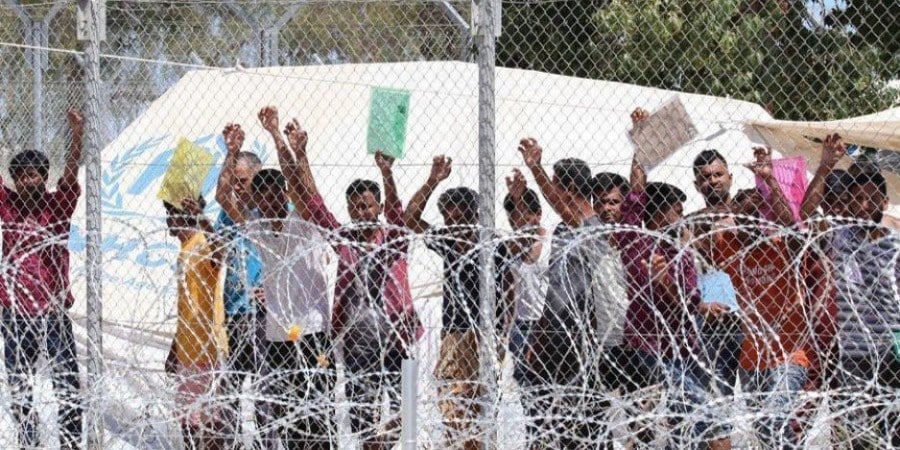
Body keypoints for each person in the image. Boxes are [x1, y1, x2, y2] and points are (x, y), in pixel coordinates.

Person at [283, 111, 421, 450]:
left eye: (367, 206)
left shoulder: (393, 239)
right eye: (354, 207)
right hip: (359, 344)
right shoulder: (344, 240)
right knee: (363, 421)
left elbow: (398, 213)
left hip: (398, 339)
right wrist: (301, 154)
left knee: (406, 416)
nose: (361, 212)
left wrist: (386, 173)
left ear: (378, 207)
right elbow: (315, 205)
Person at [220, 106, 336, 449]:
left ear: (284, 196)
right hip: (278, 338)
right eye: (263, 197)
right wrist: (230, 153)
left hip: (312, 334)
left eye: (276, 195)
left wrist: (280, 139)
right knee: (287, 426)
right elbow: (223, 196)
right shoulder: (257, 230)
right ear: (256, 200)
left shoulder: (302, 223)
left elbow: (303, 188)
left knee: (318, 424)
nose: (270, 202)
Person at [516, 138, 631, 448]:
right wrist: (540, 333)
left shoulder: (590, 226)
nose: (552, 192)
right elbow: (555, 285)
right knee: (558, 415)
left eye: (555, 185)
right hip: (556, 332)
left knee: (585, 416)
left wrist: (536, 169)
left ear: (565, 188)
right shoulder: (564, 228)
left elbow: (562, 207)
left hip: (581, 335)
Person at [404, 155, 510, 450]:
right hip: (453, 332)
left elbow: (509, 290)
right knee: (450, 402)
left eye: (460, 220)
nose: (454, 227)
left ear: (474, 216)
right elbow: (409, 218)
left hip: (483, 334)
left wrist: (503, 333)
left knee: (479, 406)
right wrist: (433, 180)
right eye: (449, 220)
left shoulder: (492, 245)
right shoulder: (447, 241)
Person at [619, 153, 718, 448]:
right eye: (677, 210)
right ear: (661, 213)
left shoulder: (679, 250)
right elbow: (635, 197)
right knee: (698, 409)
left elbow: (689, 299)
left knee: (684, 415)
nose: (681, 216)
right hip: (653, 346)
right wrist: (639, 154)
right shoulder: (636, 241)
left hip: (684, 345)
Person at [0, 110, 84, 449]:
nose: (28, 182)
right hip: (15, 313)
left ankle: (70, 444)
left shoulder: (57, 208)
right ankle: (29, 442)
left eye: (34, 175)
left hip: (52, 313)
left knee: (68, 387)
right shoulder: (8, 207)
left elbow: (71, 176)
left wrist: (76, 137)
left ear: (44, 178)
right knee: (20, 387)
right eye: (21, 177)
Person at [828, 168, 900, 447]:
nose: (864, 205)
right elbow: (803, 217)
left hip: (893, 342)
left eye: (871, 198)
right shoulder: (840, 237)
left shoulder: (895, 239)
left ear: (884, 201)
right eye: (857, 198)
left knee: (894, 425)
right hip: (855, 347)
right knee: (858, 431)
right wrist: (825, 166)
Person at [212, 123, 269, 448]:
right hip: (234, 313)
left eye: (243, 181)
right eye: (235, 181)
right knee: (231, 391)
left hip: (262, 315)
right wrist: (230, 154)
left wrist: (275, 289)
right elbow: (221, 199)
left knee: (265, 391)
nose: (237, 187)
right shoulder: (230, 216)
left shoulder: (271, 213)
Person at [163, 196, 229, 450]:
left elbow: (221, 253)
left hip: (209, 348)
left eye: (174, 213)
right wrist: (175, 346)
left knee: (210, 423)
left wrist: (203, 219)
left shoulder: (201, 243)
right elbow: (186, 306)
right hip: (188, 350)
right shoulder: (185, 248)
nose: (169, 219)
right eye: (169, 213)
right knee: (189, 423)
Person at [501, 169, 549, 386]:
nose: (519, 227)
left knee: (547, 381)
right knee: (525, 383)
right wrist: (506, 329)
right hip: (521, 325)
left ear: (538, 214)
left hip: (548, 324)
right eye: (513, 223)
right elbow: (509, 291)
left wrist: (519, 198)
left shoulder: (551, 243)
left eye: (525, 218)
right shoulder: (512, 247)